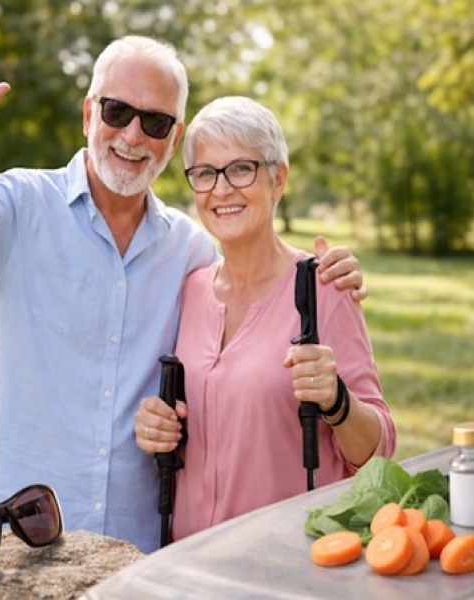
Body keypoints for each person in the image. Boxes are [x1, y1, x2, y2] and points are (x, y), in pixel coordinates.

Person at [0, 22, 366, 554]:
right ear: (90, 113)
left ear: (174, 139)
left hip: (137, 556)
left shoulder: (191, 252)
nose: (133, 136)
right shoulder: (22, 205)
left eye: (155, 122)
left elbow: (259, 293)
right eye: (117, 112)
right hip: (15, 537)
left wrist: (330, 275)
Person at [134, 96, 396, 541]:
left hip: (286, 567)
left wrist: (336, 400)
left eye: (241, 168)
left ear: (278, 179)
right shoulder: (189, 290)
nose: (221, 190)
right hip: (190, 566)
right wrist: (154, 425)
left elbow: (378, 452)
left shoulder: (325, 290)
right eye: (205, 173)